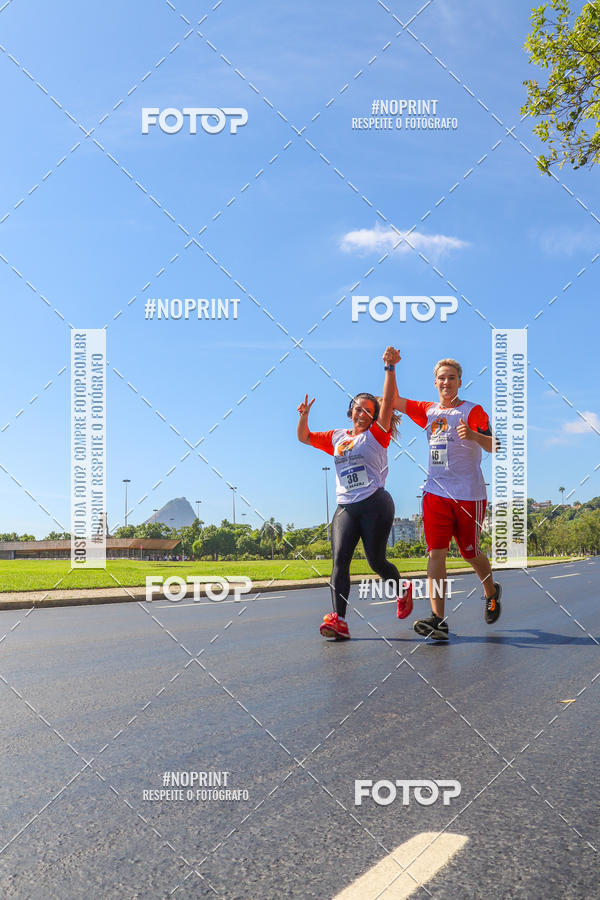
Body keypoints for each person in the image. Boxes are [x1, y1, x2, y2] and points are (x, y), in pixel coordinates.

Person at [386, 348, 501, 641]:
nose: (446, 382)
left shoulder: (472, 411)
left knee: (469, 552)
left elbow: (495, 445)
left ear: (460, 382)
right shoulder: (428, 410)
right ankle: (438, 619)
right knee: (436, 553)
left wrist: (474, 436)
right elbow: (393, 401)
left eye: (451, 378)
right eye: (441, 378)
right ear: (435, 383)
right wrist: (390, 367)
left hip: (469, 494)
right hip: (435, 491)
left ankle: (491, 592)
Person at [297, 351, 411, 640]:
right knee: (339, 563)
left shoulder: (377, 435)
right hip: (346, 507)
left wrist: (389, 367)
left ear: (374, 416)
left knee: (376, 562)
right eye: (356, 408)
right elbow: (304, 437)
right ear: (350, 411)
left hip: (375, 504)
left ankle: (401, 588)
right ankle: (339, 620)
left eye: (366, 409)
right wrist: (304, 417)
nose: (360, 412)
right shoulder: (337, 437)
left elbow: (386, 401)